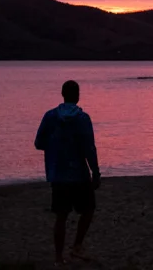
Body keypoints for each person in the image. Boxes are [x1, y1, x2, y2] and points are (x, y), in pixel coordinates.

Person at [35, 80, 100, 266]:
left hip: (58, 174)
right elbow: (90, 148)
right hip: (79, 174)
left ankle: (58, 258)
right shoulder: (83, 119)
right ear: (77, 96)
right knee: (88, 211)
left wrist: (56, 145)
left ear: (62, 94)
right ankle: (77, 245)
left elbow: (39, 143)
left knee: (61, 217)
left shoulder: (50, 117)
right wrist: (96, 172)